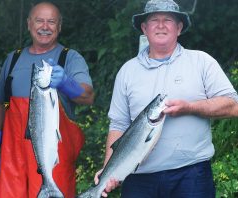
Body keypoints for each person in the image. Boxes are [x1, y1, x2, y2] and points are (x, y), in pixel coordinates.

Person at [94, 0, 238, 197]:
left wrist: (190, 107)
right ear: (144, 28)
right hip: (138, 179)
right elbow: (118, 125)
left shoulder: (201, 61)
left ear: (179, 28)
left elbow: (233, 105)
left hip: (191, 175)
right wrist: (108, 171)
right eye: (154, 20)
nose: (161, 25)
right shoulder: (127, 71)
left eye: (168, 20)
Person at [0, 2, 94, 198]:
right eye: (39, 20)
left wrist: (66, 83)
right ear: (28, 24)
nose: (45, 26)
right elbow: (2, 104)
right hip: (13, 160)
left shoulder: (70, 58)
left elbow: (88, 96)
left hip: (52, 158)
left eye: (51, 22)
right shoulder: (13, 59)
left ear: (59, 26)